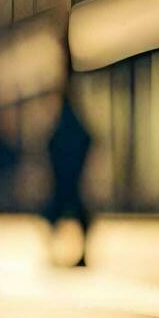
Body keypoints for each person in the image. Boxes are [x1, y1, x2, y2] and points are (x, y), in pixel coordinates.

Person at [44, 91, 92, 267]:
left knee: (57, 215)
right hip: (69, 181)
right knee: (66, 216)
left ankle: (75, 254)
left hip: (66, 181)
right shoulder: (71, 124)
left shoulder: (65, 126)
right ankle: (80, 254)